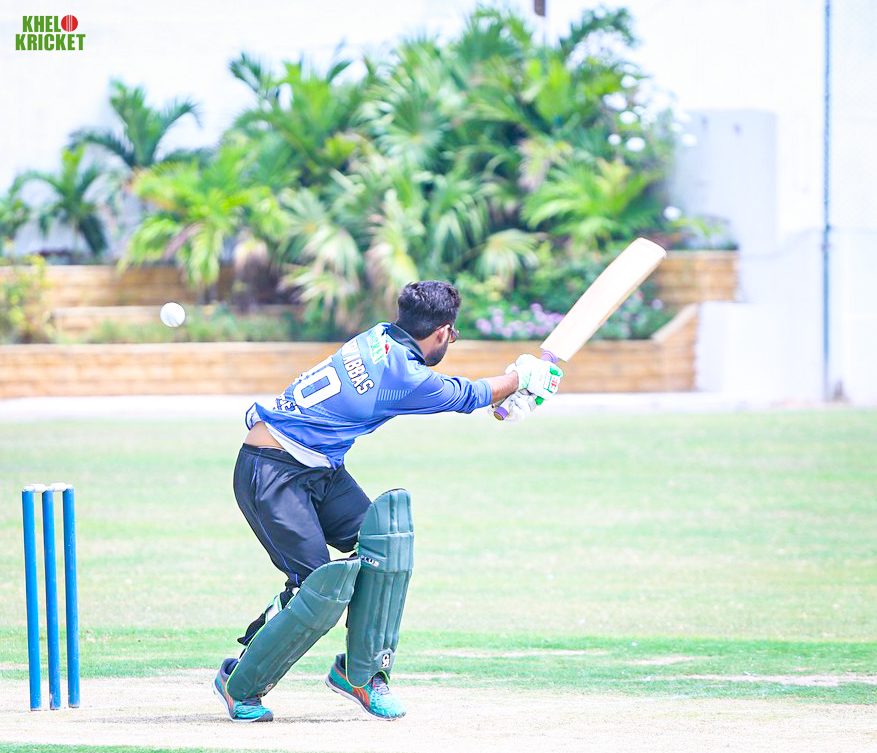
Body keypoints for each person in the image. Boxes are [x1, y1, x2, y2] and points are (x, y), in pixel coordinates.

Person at [212, 280, 563, 722]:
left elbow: (464, 393)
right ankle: (240, 681)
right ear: (442, 332)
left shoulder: (378, 337)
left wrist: (512, 388)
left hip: (319, 467)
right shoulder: (403, 375)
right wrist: (521, 380)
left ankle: (359, 674)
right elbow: (467, 395)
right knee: (316, 588)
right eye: (453, 335)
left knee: (386, 548)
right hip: (271, 470)